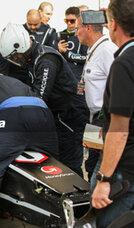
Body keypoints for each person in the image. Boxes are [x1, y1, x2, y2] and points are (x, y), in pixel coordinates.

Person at [0, 72, 59, 228]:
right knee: (50, 171)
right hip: (44, 113)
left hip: (14, 116)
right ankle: (66, 221)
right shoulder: (2, 79)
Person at [0, 23, 84, 176]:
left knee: (69, 163)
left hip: (68, 115)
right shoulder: (32, 57)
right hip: (56, 114)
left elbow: (39, 97)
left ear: (21, 46)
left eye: (15, 56)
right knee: (56, 161)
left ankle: (81, 197)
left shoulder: (46, 59)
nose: (16, 59)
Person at [91, 0, 134, 228]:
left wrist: (104, 181)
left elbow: (120, 130)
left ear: (113, 24)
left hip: (123, 174)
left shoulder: (125, 63)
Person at [75, 10, 117, 180]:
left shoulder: (107, 50)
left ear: (89, 28)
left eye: (78, 28)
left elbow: (121, 85)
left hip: (105, 118)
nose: (76, 33)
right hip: (94, 119)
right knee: (90, 164)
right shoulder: (94, 50)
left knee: (96, 167)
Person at [57, 6, 90, 179]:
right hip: (65, 90)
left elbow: (86, 58)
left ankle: (83, 161)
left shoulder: (84, 35)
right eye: (66, 20)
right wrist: (58, 51)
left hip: (82, 91)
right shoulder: (60, 35)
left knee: (81, 128)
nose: (69, 25)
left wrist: (67, 54)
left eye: (72, 21)